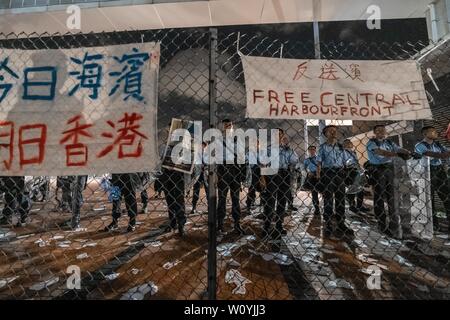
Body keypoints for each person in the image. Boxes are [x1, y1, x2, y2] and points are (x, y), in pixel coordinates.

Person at [366, 124, 411, 238]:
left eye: (383, 130)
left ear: (385, 132)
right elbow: (380, 152)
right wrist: (398, 154)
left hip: (390, 169)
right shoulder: (372, 143)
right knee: (379, 196)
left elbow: (399, 149)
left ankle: (394, 224)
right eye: (378, 130)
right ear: (375, 132)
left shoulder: (389, 143)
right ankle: (381, 222)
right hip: (378, 170)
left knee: (392, 196)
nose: (381, 132)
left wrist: (407, 152)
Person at [317, 125, 354, 239]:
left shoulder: (341, 147)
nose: (333, 132)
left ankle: (341, 222)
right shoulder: (323, 147)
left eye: (334, 131)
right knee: (328, 198)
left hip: (339, 173)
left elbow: (346, 161)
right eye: (330, 131)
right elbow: (319, 163)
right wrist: (319, 177)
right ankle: (328, 222)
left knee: (340, 198)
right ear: (325, 134)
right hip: (328, 173)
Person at [262, 129, 299, 240]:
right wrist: (262, 179)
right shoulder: (268, 149)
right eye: (275, 134)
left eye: (279, 134)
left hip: (284, 174)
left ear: (282, 136)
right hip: (272, 174)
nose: (277, 136)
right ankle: (267, 226)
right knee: (270, 201)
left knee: (282, 201)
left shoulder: (287, 149)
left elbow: (294, 161)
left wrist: (289, 149)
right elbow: (263, 164)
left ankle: (279, 225)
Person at [415, 125, 450, 234]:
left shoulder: (438, 144)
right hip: (428, 172)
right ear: (425, 134)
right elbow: (432, 154)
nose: (436, 133)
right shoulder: (420, 146)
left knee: (447, 196)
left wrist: (445, 156)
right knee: (430, 200)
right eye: (433, 131)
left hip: (439, 171)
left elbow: (446, 153)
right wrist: (444, 155)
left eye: (435, 131)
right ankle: (434, 225)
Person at [217, 119, 245, 234]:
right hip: (223, 170)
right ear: (224, 127)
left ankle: (237, 223)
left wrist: (242, 177)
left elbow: (242, 159)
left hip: (235, 170)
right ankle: (220, 224)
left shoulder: (238, 140)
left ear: (233, 127)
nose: (228, 127)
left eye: (230, 125)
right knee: (222, 199)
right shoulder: (219, 141)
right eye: (226, 126)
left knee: (236, 199)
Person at [343, 139, 370, 214]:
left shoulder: (353, 152)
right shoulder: (343, 152)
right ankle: (352, 206)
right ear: (344, 144)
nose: (350, 144)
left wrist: (361, 171)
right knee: (352, 189)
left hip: (357, 171)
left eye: (350, 143)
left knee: (360, 189)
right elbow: (344, 162)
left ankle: (360, 206)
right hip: (349, 171)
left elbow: (356, 162)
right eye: (347, 143)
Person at [191, 142, 209, 214]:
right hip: (197, 174)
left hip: (206, 174)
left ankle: (209, 207)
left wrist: (205, 165)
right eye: (201, 145)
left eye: (203, 145)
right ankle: (194, 207)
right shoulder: (196, 154)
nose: (202, 146)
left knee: (208, 191)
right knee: (196, 190)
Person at [303, 145, 320, 216]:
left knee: (325, 192)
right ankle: (317, 209)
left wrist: (319, 173)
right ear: (309, 151)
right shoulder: (307, 160)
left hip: (320, 175)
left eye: (313, 149)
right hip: (312, 176)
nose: (312, 151)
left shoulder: (319, 158)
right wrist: (308, 172)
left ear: (315, 150)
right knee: (314, 193)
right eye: (310, 150)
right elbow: (305, 168)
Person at [246, 139, 262, 211]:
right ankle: (249, 204)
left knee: (262, 188)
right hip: (252, 172)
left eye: (257, 144)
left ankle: (262, 202)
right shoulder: (249, 153)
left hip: (260, 172)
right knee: (252, 189)